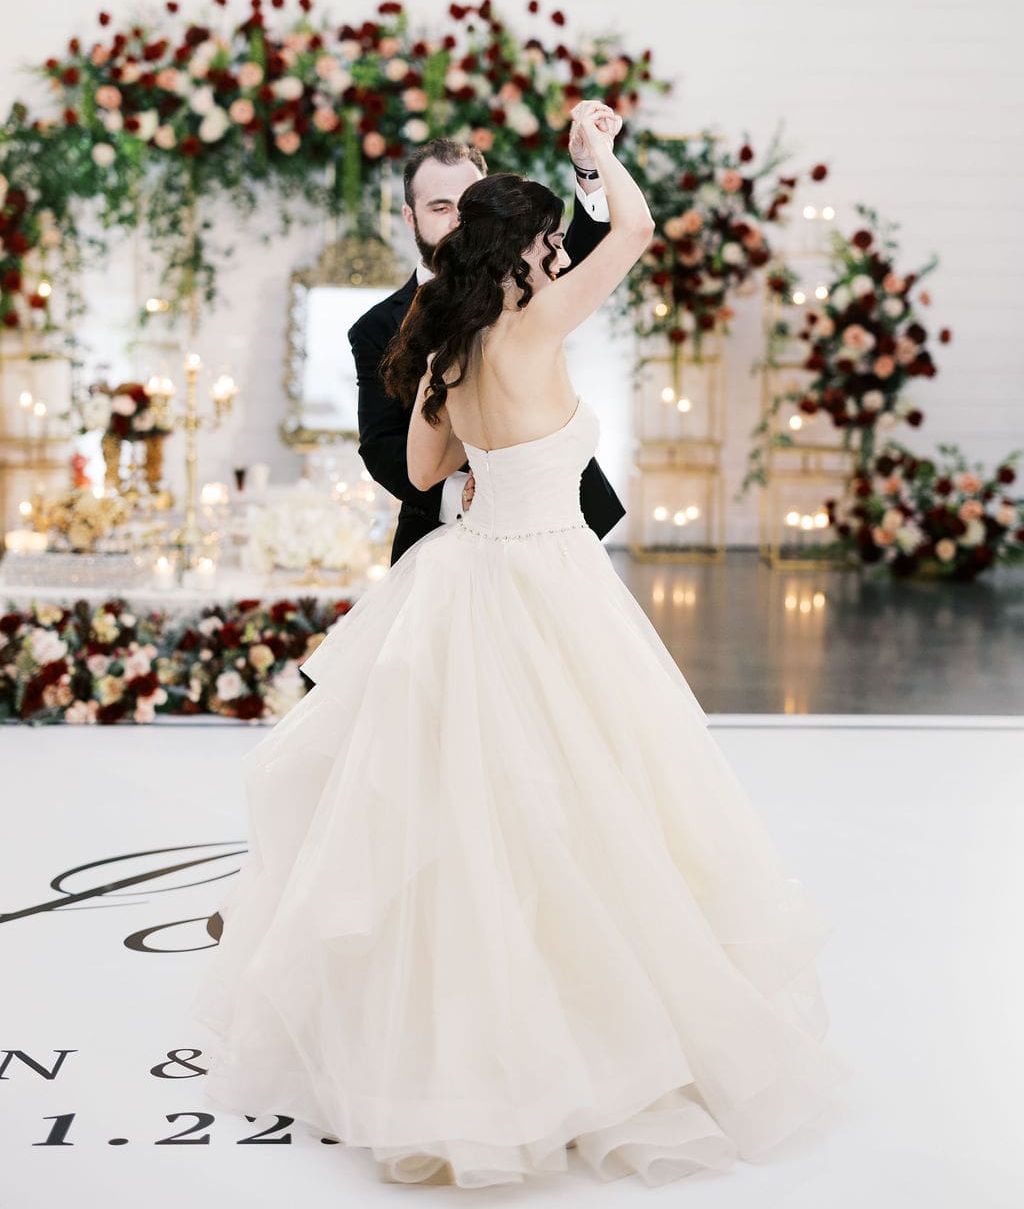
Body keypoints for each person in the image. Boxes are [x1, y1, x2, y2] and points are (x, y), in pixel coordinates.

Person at [189, 101, 849, 1190]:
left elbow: (418, 474)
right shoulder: (538, 326)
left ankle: (447, 1037)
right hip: (550, 579)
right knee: (589, 798)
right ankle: (587, 1027)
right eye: (546, 244)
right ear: (525, 253)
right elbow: (631, 233)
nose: (557, 256)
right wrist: (600, 157)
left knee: (463, 808)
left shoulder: (443, 353)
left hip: (464, 578)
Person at [348, 118, 625, 567]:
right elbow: (381, 445)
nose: (460, 222)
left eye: (470, 207)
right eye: (441, 208)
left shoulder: (531, 288)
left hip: (555, 531)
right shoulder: (377, 326)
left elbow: (582, 256)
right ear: (409, 216)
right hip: (439, 539)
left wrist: (589, 167)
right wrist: (467, 494)